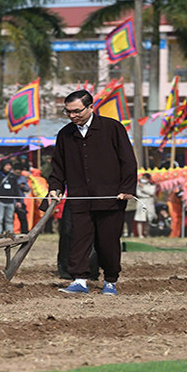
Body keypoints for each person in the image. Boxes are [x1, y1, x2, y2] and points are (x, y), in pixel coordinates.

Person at [45, 90, 137, 296]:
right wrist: (55, 187)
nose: (72, 116)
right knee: (78, 239)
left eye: (77, 111)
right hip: (79, 197)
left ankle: (110, 281)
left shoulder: (112, 128)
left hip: (111, 198)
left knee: (108, 242)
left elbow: (128, 161)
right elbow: (58, 166)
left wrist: (127, 189)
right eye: (67, 112)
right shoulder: (65, 134)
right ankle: (79, 280)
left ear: (91, 107)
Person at [0, 160, 22, 237]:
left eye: (10, 165)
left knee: (10, 219)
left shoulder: (12, 176)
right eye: (7, 165)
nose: (9, 167)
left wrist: (18, 200)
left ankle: (10, 233)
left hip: (10, 201)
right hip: (0, 201)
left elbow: (16, 189)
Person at [133, 173, 156, 238]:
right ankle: (140, 234)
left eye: (145, 178)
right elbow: (138, 193)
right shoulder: (138, 185)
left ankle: (146, 233)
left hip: (150, 202)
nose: (143, 180)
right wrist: (147, 194)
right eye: (143, 178)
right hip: (141, 202)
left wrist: (143, 188)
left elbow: (152, 192)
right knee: (140, 219)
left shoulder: (152, 185)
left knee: (149, 219)